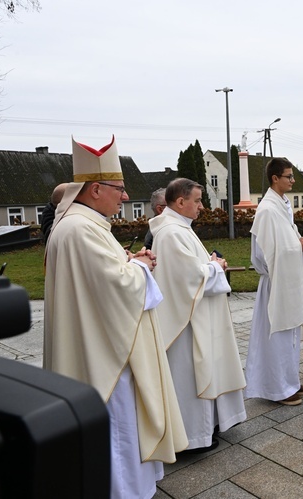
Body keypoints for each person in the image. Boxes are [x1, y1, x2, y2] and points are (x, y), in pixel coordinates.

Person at [43, 136, 187, 499]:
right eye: (118, 189)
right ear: (94, 189)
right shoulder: (80, 228)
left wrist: (129, 263)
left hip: (100, 338)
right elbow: (118, 288)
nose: (124, 197)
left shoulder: (81, 223)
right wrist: (139, 266)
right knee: (120, 427)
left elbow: (102, 279)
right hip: (106, 354)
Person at [150, 178, 247, 451]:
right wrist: (216, 266)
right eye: (197, 200)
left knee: (202, 370)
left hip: (195, 315)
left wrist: (212, 265)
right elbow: (190, 277)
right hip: (185, 323)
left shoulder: (180, 228)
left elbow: (193, 269)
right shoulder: (171, 233)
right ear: (180, 202)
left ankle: (207, 427)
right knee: (190, 375)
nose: (202, 207)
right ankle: (193, 436)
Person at [245, 158, 303, 406]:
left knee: (289, 334)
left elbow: (286, 240)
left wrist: (299, 245)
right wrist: (298, 246)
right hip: (275, 284)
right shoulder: (267, 209)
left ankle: (289, 380)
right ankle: (278, 388)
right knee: (277, 336)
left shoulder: (283, 204)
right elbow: (261, 253)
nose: (292, 180)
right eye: (288, 176)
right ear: (274, 178)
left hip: (287, 280)